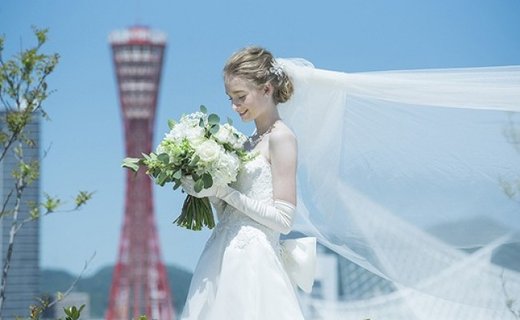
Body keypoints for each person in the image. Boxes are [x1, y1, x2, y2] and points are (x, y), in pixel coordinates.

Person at [180, 47, 315, 320]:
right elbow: (230, 213)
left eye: (241, 97)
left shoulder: (282, 138)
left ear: (267, 89)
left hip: (253, 261)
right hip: (221, 255)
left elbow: (283, 220)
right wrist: (206, 190)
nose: (234, 106)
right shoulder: (245, 142)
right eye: (230, 99)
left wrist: (225, 192)